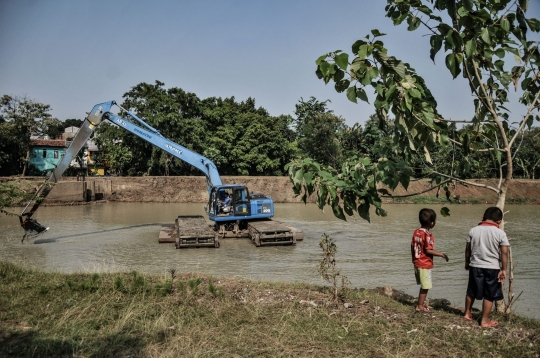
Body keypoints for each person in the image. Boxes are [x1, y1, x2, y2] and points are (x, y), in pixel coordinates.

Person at [463, 207, 510, 328]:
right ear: (499, 221)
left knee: (471, 290)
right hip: (492, 267)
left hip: (475, 265)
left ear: (483, 217)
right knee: (489, 294)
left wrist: (467, 262)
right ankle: (484, 321)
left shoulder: (473, 230)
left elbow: (468, 249)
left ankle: (467, 313)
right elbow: (504, 252)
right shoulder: (500, 233)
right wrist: (503, 269)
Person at [411, 208, 449, 313]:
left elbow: (412, 245)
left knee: (424, 285)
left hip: (417, 262)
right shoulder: (428, 235)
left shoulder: (417, 232)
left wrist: (413, 259)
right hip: (424, 263)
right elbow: (428, 250)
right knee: (426, 286)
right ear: (431, 222)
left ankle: (422, 303)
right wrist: (441, 254)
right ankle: (419, 306)